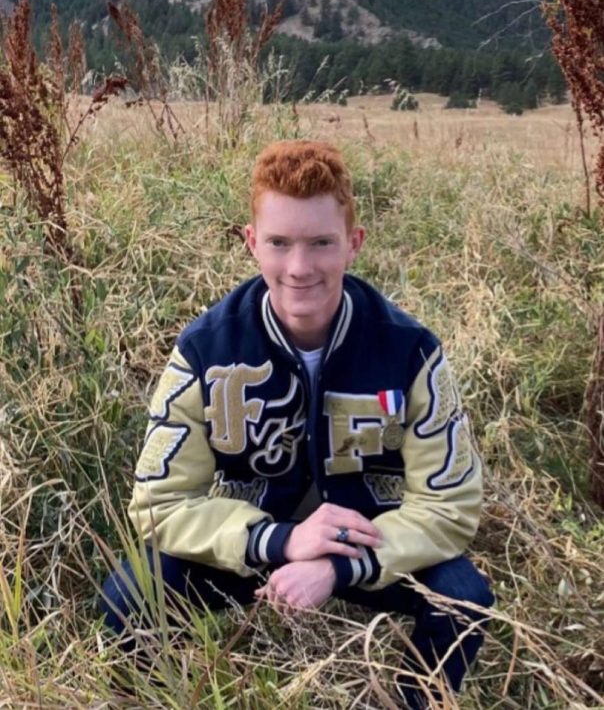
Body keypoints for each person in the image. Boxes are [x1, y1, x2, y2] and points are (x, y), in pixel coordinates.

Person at [101, 140, 493, 708]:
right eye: (280, 243)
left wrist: (339, 566)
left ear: (353, 245)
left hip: (369, 541)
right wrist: (279, 541)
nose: (299, 267)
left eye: (321, 243)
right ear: (251, 241)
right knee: (128, 597)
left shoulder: (411, 351)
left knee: (463, 597)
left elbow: (450, 507)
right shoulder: (205, 350)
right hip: (254, 538)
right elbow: (158, 503)